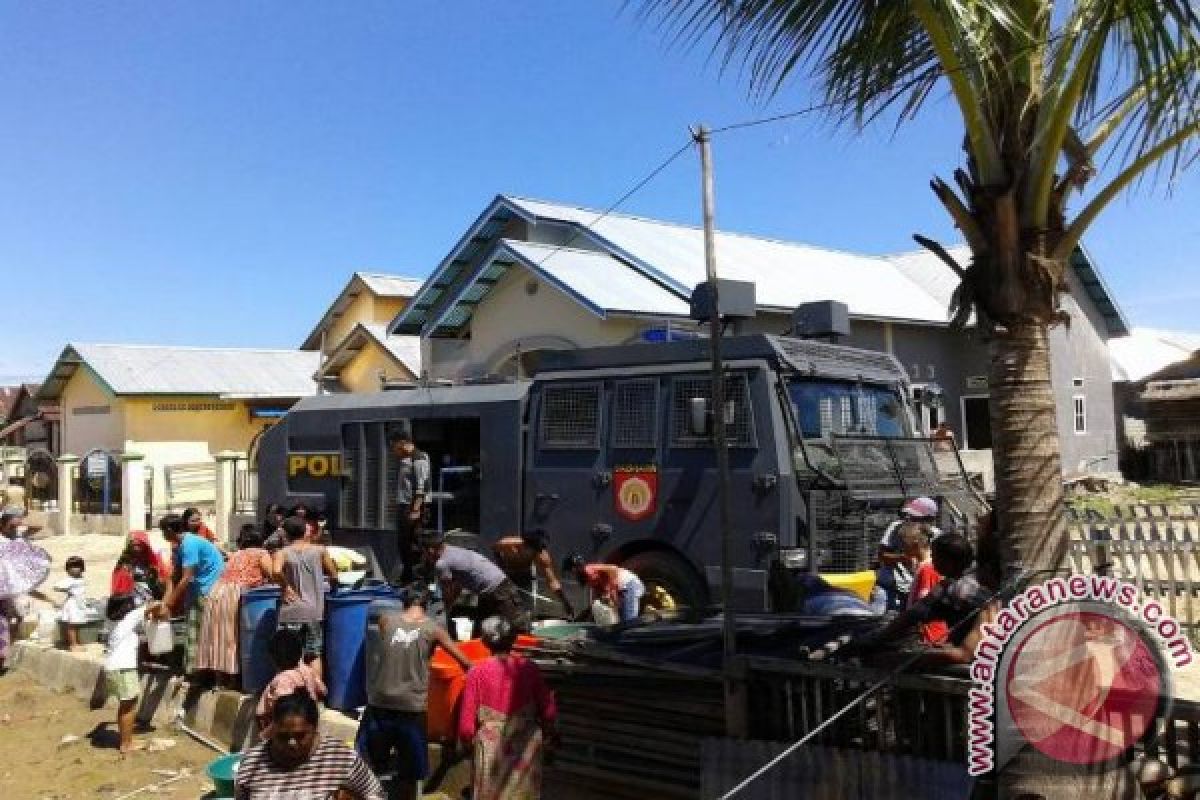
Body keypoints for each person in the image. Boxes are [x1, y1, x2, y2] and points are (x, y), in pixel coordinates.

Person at [358, 588, 471, 800]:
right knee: (410, 773)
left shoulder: (385, 620)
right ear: (426, 607)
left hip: (379, 702)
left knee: (368, 764)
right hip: (411, 708)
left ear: (403, 603)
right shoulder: (434, 629)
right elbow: (465, 663)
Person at [458, 617, 557, 800]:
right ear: (513, 640)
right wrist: (549, 735)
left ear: (485, 641)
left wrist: (467, 745)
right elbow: (548, 711)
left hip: (490, 748)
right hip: (526, 744)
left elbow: (465, 728)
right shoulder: (530, 669)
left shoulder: (476, 672)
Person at [236, 689, 385, 800]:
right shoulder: (252, 764)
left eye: (300, 735)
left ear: (315, 729)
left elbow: (375, 793)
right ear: (272, 730)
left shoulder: (340, 758)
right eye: (283, 736)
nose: (292, 743)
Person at [195, 524, 274, 685]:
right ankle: (233, 682)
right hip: (234, 595)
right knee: (233, 637)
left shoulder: (237, 554)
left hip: (216, 593)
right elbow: (273, 574)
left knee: (217, 638)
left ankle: (219, 681)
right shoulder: (261, 553)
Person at [420, 529, 527, 634]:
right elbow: (457, 586)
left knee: (517, 627)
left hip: (499, 590)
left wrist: (446, 610)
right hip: (489, 591)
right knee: (482, 631)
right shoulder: (452, 550)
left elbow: (448, 591)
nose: (424, 556)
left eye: (424, 552)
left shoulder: (442, 563)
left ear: (430, 550)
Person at [159, 513, 226, 678]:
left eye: (163, 531)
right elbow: (173, 577)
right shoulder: (181, 545)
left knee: (197, 634)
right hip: (199, 588)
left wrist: (169, 604)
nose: (162, 535)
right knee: (195, 631)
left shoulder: (189, 544)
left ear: (169, 530)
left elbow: (186, 577)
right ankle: (196, 671)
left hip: (207, 589)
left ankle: (197, 673)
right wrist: (165, 603)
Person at [273, 516, 338, 675]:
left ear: (286, 535)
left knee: (289, 656)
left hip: (291, 612)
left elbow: (275, 571)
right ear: (305, 531)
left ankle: (293, 692)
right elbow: (334, 575)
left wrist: (286, 587)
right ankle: (314, 696)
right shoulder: (320, 550)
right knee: (313, 654)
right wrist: (333, 586)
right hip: (313, 612)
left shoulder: (282, 553)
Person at [104, 593, 163, 755]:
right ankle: (126, 744)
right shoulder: (129, 618)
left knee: (125, 705)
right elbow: (157, 604)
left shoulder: (112, 622)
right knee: (129, 706)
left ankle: (126, 740)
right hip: (123, 668)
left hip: (113, 667)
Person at [256, 627, 327, 737]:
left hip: (283, 727)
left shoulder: (282, 680)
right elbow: (323, 690)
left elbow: (284, 713)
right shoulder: (308, 671)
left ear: (273, 659)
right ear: (300, 652)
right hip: (305, 720)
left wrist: (264, 736)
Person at [876, 496, 941, 611]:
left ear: (929, 519)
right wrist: (903, 558)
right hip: (891, 587)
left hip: (916, 587)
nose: (908, 518)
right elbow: (882, 555)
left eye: (915, 517)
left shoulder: (937, 536)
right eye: (908, 515)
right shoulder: (896, 527)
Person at [493, 530, 574, 620]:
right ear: (526, 544)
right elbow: (494, 548)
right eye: (537, 548)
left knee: (522, 608)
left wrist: (565, 602)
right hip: (505, 574)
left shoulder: (541, 556)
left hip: (524, 575)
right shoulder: (508, 544)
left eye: (542, 548)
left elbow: (552, 581)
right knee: (504, 605)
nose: (540, 551)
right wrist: (500, 566)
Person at [388, 428, 431, 584]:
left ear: (402, 443)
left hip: (413, 507)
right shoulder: (405, 459)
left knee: (415, 544)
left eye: (394, 447)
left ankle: (418, 580)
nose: (393, 451)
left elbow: (422, 487)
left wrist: (415, 510)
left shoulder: (419, 458)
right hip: (404, 506)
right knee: (403, 543)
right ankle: (407, 577)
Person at [897, 523, 947, 645]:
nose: (901, 547)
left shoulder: (927, 569)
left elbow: (922, 606)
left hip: (929, 636)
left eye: (903, 543)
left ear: (915, 543)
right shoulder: (923, 566)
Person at [563, 555, 645, 624]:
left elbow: (613, 568)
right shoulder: (589, 578)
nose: (572, 574)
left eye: (571, 571)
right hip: (622, 589)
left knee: (628, 623)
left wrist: (612, 590)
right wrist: (582, 617)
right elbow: (597, 598)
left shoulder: (589, 570)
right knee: (621, 623)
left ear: (574, 568)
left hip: (628, 585)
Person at [111, 530, 171, 606]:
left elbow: (165, 583)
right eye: (133, 545)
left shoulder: (154, 563)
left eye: (139, 545)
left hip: (151, 601)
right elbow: (118, 588)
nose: (136, 548)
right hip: (130, 603)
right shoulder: (124, 565)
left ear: (145, 546)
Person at [55, 556, 90, 651]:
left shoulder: (80, 579)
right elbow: (57, 586)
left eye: (77, 566)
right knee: (72, 625)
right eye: (71, 567)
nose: (74, 569)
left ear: (82, 568)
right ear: (67, 569)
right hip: (73, 605)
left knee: (76, 624)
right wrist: (67, 590)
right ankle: (73, 644)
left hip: (79, 604)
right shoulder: (70, 580)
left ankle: (75, 642)